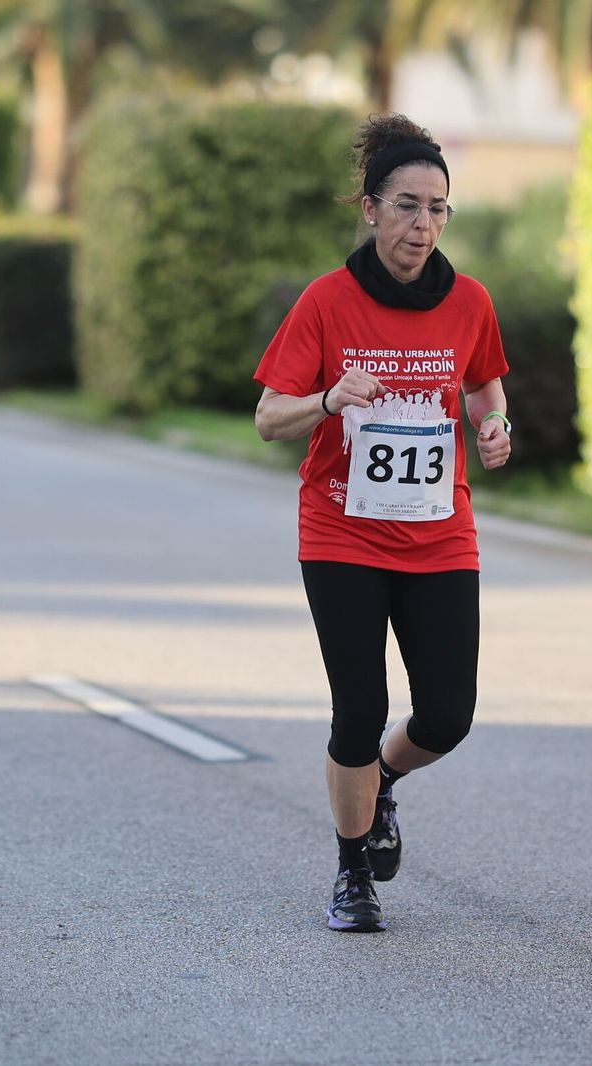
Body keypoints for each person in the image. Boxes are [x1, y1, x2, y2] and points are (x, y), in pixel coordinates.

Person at [253, 114, 513, 932]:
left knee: (448, 715)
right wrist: (329, 399)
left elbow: (484, 384)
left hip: (439, 535)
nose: (423, 225)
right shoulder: (327, 302)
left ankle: (385, 782)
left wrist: (494, 424)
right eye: (407, 206)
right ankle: (352, 871)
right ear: (370, 210)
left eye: (438, 209)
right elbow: (269, 417)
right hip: (343, 533)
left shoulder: (469, 302)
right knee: (359, 711)